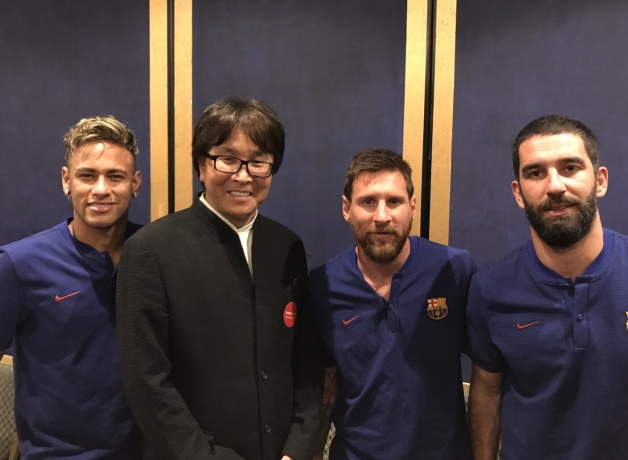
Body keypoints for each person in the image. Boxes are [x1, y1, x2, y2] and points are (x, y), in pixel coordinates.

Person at [116, 98, 322, 460]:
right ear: (201, 164)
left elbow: (304, 358)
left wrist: (299, 446)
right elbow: (146, 381)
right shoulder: (151, 249)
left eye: (258, 161)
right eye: (227, 159)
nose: (243, 176)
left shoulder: (286, 245)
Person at [467, 115, 628, 459]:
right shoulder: (490, 287)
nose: (554, 186)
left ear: (600, 181)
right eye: (535, 173)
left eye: (570, 168)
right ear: (519, 193)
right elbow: (487, 393)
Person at [309, 148, 475, 459]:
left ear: (412, 207)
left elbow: (490, 371)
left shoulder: (454, 270)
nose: (382, 217)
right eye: (368, 202)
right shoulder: (322, 286)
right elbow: (324, 387)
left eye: (394, 201)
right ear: (346, 209)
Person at [0, 116, 143, 459]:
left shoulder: (155, 255)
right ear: (67, 180)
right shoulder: (19, 264)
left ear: (135, 183)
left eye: (115, 176)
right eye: (87, 176)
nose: (101, 189)